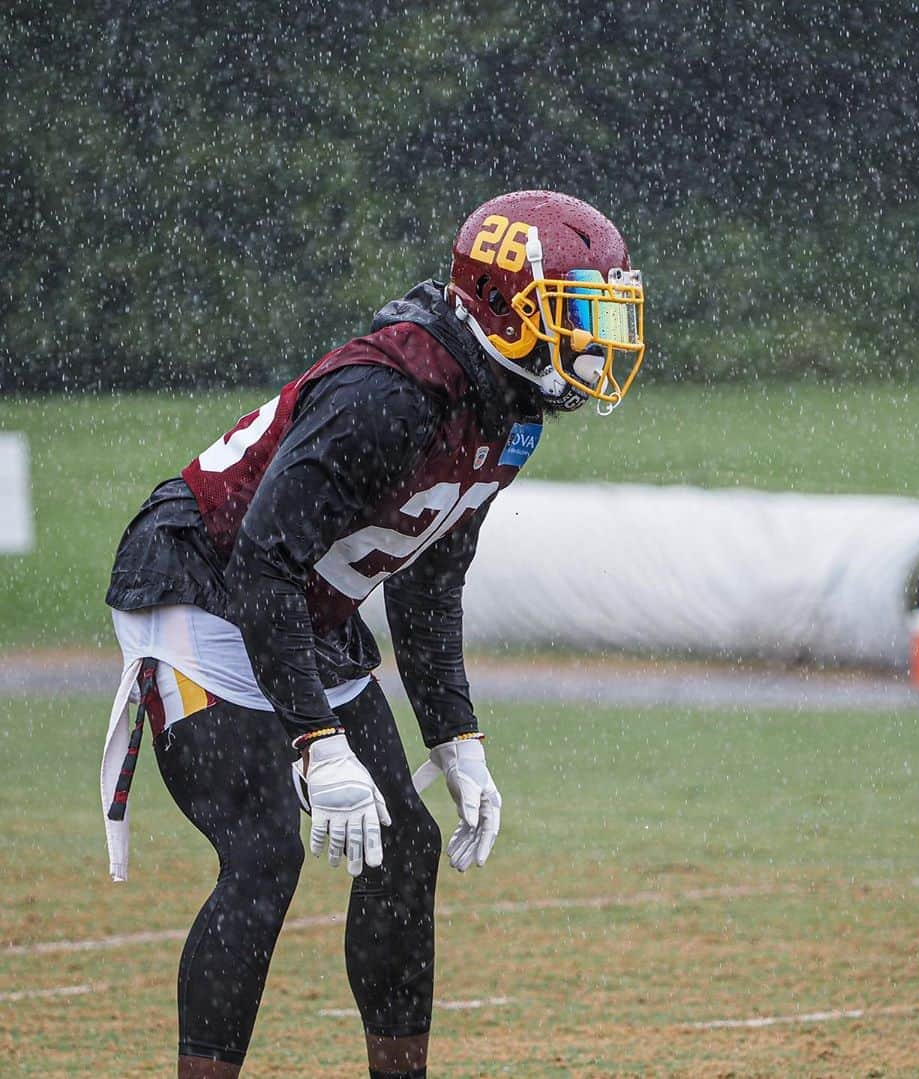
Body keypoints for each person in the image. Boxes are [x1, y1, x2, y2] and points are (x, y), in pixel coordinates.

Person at [100, 189, 645, 1078]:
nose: (598, 340)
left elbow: (430, 575)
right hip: (203, 581)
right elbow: (261, 565)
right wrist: (318, 741)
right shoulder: (392, 393)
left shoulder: (507, 409)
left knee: (404, 846)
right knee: (265, 848)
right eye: (580, 311)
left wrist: (455, 734)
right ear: (508, 307)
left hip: (300, 603)